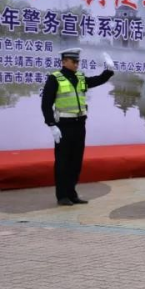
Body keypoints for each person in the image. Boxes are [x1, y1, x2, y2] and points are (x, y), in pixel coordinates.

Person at [42, 47, 115, 205]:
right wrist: (51, 125)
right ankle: (62, 196)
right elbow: (46, 103)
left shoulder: (80, 77)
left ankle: (72, 193)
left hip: (79, 123)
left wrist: (108, 71)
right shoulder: (55, 78)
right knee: (63, 161)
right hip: (64, 125)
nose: (76, 64)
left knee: (76, 161)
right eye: (73, 61)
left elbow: (95, 81)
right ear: (64, 61)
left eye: (78, 61)